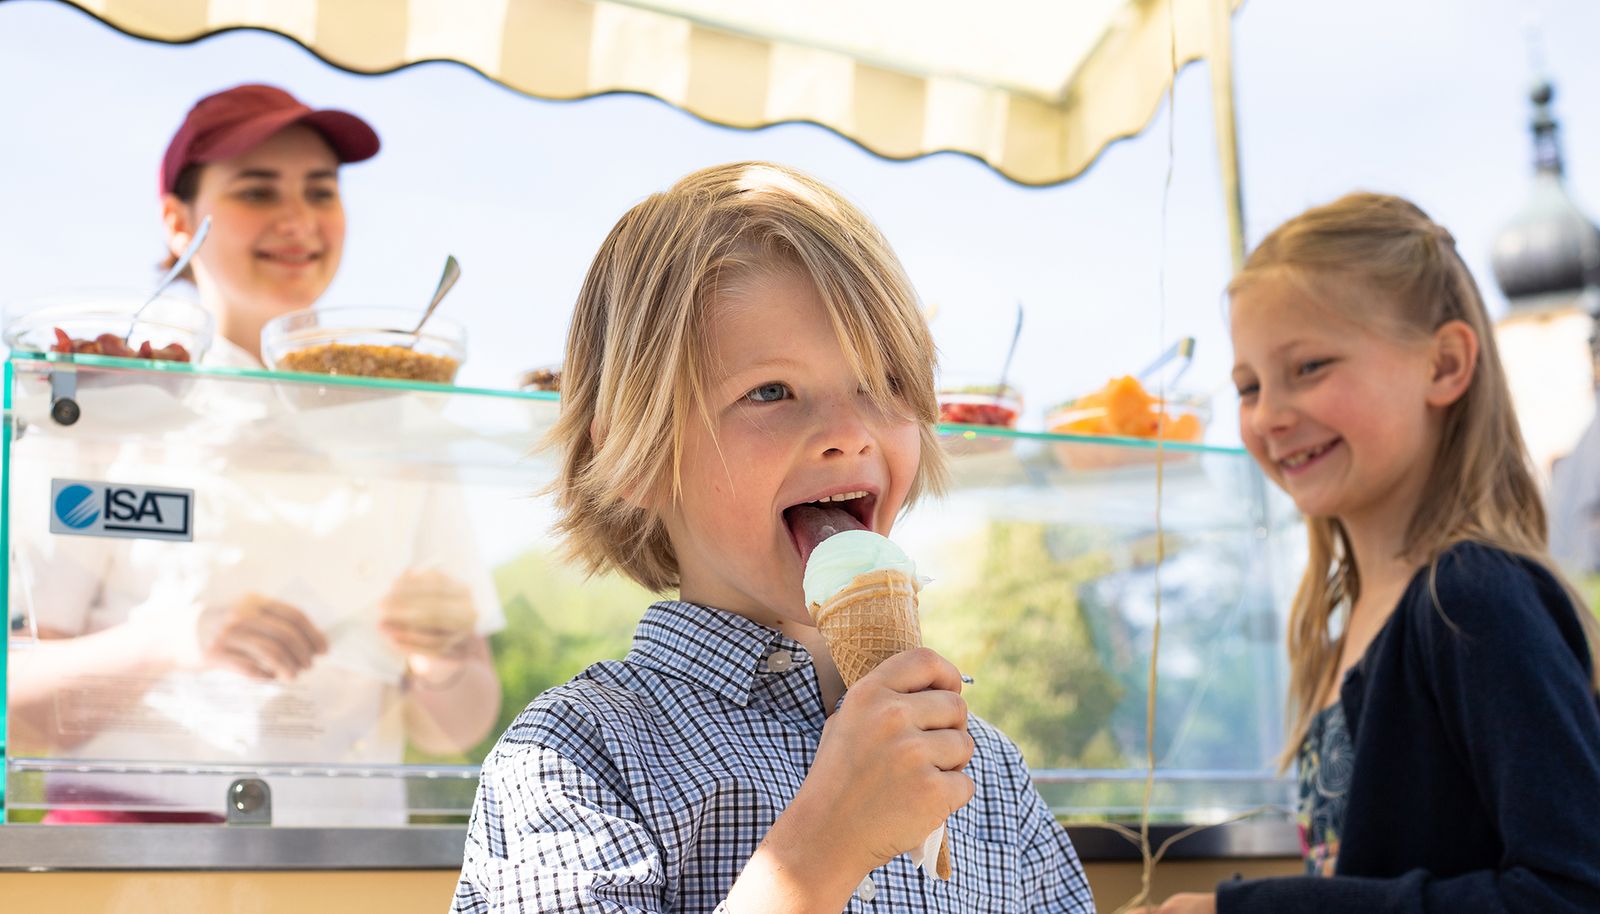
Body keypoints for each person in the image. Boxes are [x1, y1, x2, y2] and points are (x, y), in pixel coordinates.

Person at [451, 162, 1096, 912]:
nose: (848, 433)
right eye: (770, 392)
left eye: (884, 384)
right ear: (636, 453)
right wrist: (827, 842)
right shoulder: (578, 754)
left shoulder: (991, 774)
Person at [8, 84, 503, 824]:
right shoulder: (107, 403)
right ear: (178, 224)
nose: (298, 220)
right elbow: (19, 712)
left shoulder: (398, 420)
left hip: (350, 862)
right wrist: (180, 638)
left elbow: (457, 728)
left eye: (320, 191)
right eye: (256, 190)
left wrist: (444, 655)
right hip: (136, 856)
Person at [1143, 193, 1600, 913]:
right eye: (1249, 386)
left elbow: (1571, 895)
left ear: (1445, 365)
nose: (1268, 415)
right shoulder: (1349, 623)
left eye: (1311, 367)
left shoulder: (1473, 596)